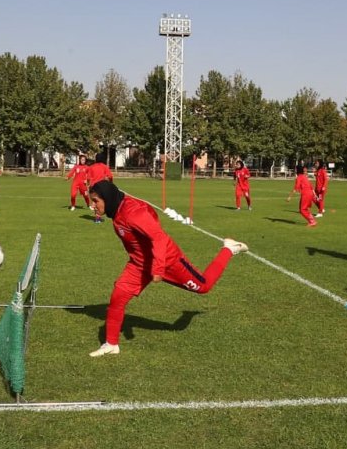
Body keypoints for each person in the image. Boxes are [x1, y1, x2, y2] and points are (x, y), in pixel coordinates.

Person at [87, 180, 249, 357]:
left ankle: (229, 249)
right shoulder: (117, 210)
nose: (92, 205)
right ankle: (111, 344)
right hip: (139, 264)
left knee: (203, 286)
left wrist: (158, 268)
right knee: (118, 296)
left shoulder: (133, 213)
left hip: (168, 261)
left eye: (95, 201)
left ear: (108, 198)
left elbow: (159, 238)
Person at [86, 152, 114, 223]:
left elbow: (88, 178)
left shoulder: (91, 167)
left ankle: (97, 216)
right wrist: (111, 183)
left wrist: (88, 185)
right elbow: (110, 176)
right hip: (102, 187)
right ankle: (98, 217)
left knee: (96, 202)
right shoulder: (104, 166)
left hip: (93, 187)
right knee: (101, 202)